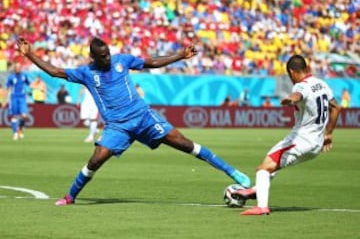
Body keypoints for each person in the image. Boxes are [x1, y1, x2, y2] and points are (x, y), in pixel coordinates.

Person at [17, 37, 251, 206]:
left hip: (144, 117)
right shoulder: (86, 73)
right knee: (96, 159)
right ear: (93, 58)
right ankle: (70, 196)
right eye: (102, 56)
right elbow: (55, 71)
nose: (107, 58)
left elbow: (151, 63)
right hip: (117, 127)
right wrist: (30, 55)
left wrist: (179, 56)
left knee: (185, 144)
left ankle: (234, 173)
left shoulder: (123, 61)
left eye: (108, 53)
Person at [235, 55, 340, 216]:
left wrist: (290, 99)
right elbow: (336, 108)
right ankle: (257, 190)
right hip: (316, 145)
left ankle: (261, 207)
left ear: (292, 72)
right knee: (274, 166)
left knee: (263, 169)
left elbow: (297, 95)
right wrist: (329, 133)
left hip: (301, 140)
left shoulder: (301, 86)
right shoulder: (322, 84)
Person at [3, 62, 31, 140]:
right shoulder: (11, 77)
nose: (18, 68)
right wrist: (4, 101)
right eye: (16, 67)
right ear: (15, 68)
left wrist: (37, 87)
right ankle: (15, 133)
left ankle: (20, 129)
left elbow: (29, 84)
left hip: (22, 98)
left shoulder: (24, 76)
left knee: (24, 116)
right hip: (14, 98)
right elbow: (7, 88)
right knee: (14, 116)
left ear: (21, 68)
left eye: (19, 67)